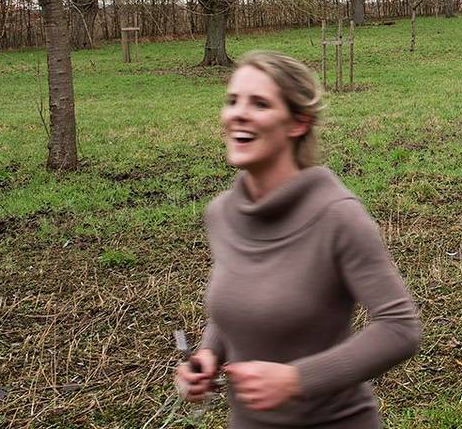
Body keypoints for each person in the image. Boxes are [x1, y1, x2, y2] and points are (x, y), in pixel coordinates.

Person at [175, 51, 421, 428]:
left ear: (297, 123)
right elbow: (245, 298)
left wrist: (297, 379)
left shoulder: (337, 216)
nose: (238, 113)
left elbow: (399, 328)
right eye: (232, 100)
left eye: (259, 103)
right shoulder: (222, 214)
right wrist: (209, 354)